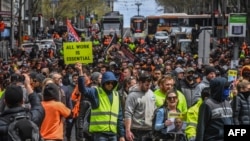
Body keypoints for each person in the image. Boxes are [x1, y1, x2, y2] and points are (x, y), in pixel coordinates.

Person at [75, 62, 125, 141]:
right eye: (108, 83)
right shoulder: (95, 92)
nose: (110, 85)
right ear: (103, 83)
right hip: (100, 134)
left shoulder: (116, 95)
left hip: (113, 134)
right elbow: (82, 89)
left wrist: (122, 135)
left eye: (112, 83)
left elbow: (119, 117)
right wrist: (80, 72)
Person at [0, 73, 45, 140]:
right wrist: (28, 85)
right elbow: (37, 104)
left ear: (5, 101)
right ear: (22, 101)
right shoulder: (33, 118)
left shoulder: (2, 124)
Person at [124, 71, 157, 141]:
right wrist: (128, 131)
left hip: (149, 130)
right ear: (140, 83)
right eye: (146, 85)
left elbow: (154, 110)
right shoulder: (132, 96)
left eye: (150, 85)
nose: (148, 87)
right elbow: (128, 113)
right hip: (136, 131)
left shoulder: (151, 94)